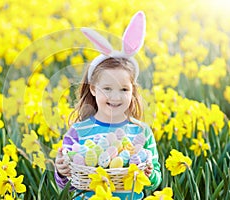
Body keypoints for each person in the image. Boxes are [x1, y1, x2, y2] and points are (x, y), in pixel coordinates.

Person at [55, 11, 161, 199]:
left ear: (133, 91)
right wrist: (62, 171)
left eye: (124, 90)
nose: (115, 96)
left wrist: (150, 174)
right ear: (93, 89)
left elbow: (155, 181)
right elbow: (69, 185)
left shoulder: (142, 132)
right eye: (107, 88)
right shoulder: (78, 131)